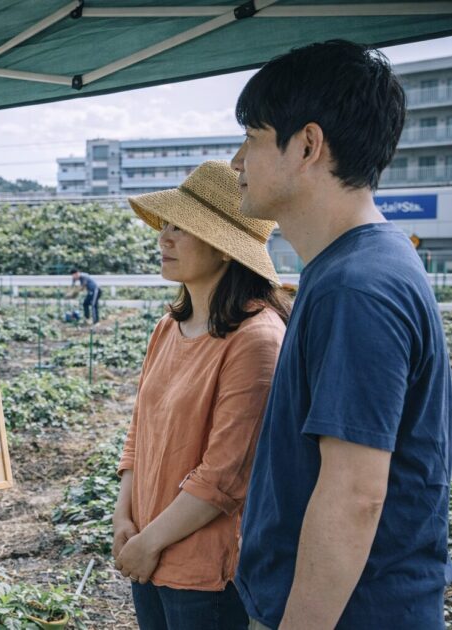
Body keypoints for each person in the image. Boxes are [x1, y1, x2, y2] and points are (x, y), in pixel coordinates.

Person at [232, 41, 452, 629]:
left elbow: (355, 495)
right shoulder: (352, 267)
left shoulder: (356, 286)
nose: (236, 163)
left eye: (251, 139)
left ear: (307, 145)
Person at [113, 160, 290, 630]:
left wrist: (149, 542)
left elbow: (224, 477)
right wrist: (123, 519)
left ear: (226, 249)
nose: (163, 238)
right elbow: (139, 433)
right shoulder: (168, 326)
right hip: (147, 547)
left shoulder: (257, 338)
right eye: (165, 225)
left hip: (204, 571)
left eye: (182, 227)